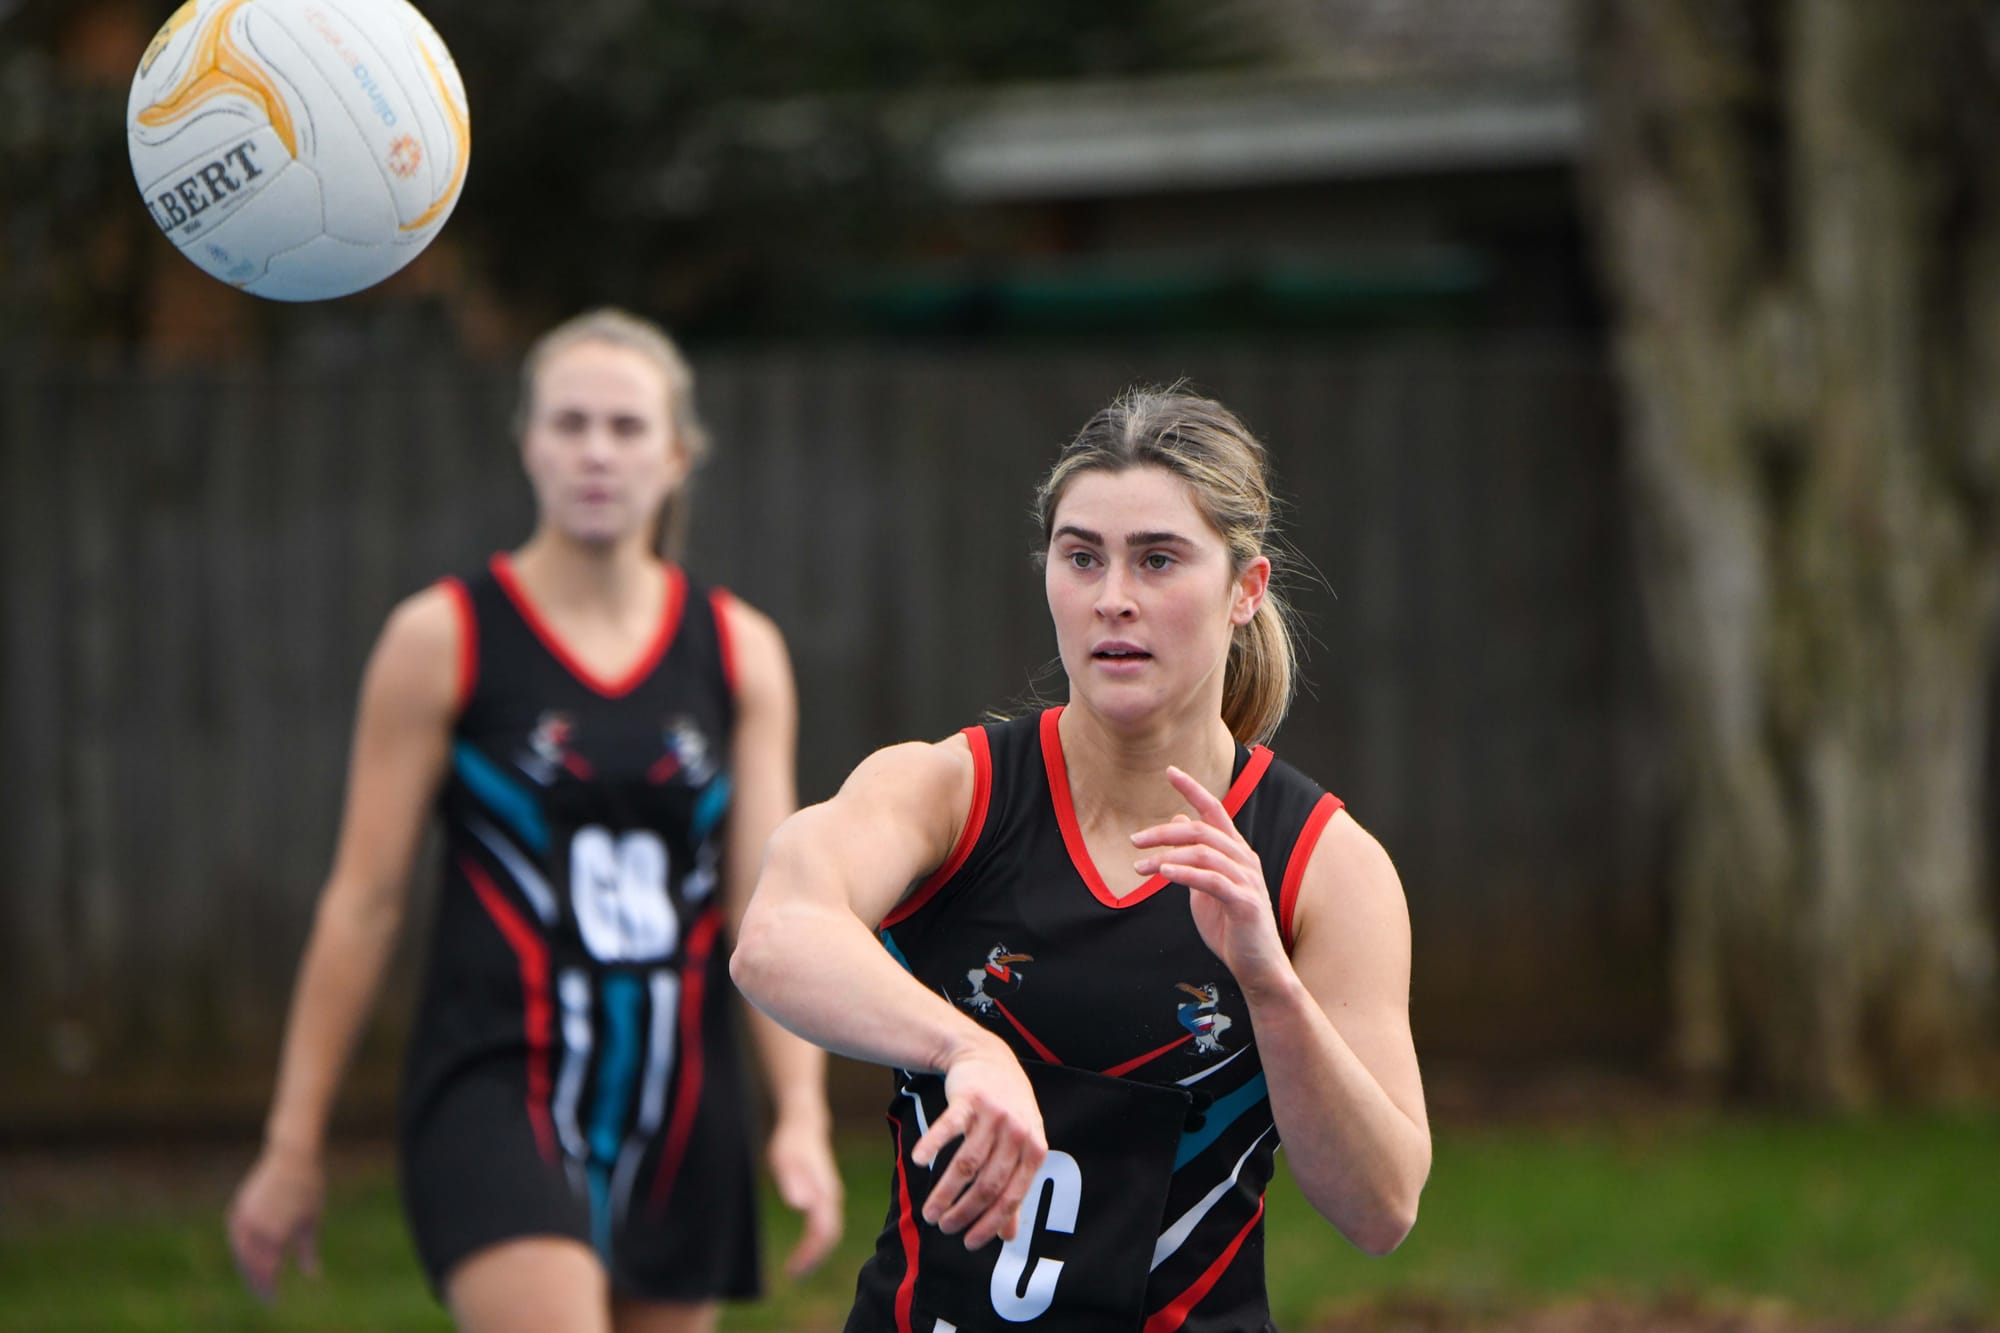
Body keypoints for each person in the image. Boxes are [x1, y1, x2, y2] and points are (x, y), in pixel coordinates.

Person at [730, 387, 1429, 1332]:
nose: (1113, 598)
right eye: (1082, 556)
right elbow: (774, 936)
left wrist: (1272, 989)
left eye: (1158, 559)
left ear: (1245, 588)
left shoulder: (1321, 864)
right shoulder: (954, 793)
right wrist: (967, 1047)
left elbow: (1382, 1208)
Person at [226, 309, 843, 1333]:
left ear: (678, 454)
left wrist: (803, 1118)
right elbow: (364, 902)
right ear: (526, 443)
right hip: (498, 1083)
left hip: (680, 1094)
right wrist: (293, 1144)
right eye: (568, 423)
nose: (595, 451)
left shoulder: (740, 650)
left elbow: (768, 909)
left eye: (625, 426)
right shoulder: (442, 637)